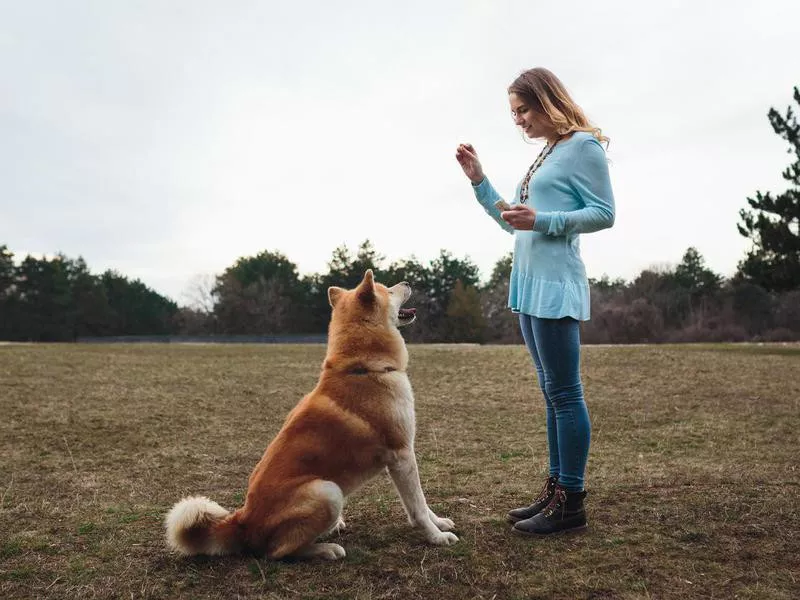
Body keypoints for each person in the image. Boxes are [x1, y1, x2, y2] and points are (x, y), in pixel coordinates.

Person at [455, 67, 615, 536]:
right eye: (513, 113)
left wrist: (544, 220)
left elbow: (604, 214)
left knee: (565, 393)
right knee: (551, 393)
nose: (518, 120)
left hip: (556, 285)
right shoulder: (548, 153)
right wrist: (480, 182)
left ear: (547, 101)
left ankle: (572, 502)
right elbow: (515, 223)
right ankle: (555, 491)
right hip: (527, 284)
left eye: (522, 110)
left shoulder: (583, 146)